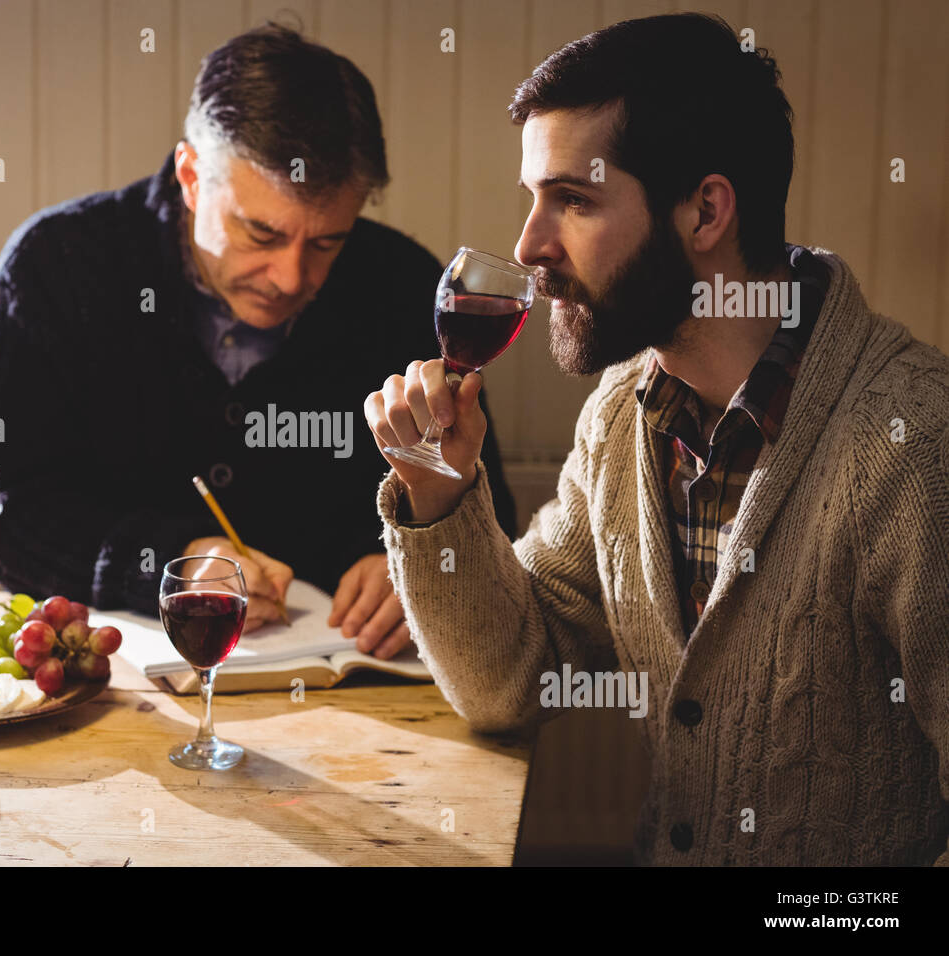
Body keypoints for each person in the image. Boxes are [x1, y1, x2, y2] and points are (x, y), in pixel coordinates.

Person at [366, 13, 949, 865]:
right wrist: (437, 492)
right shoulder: (621, 415)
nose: (529, 246)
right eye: (535, 198)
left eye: (572, 199)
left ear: (705, 210)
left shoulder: (917, 446)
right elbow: (514, 682)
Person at [0, 24, 517, 650]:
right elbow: (4, 511)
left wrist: (415, 559)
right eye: (261, 233)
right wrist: (172, 563)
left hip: (358, 687)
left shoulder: (404, 285)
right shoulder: (54, 268)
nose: (290, 279)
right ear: (191, 175)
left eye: (327, 243)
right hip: (117, 684)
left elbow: (487, 511)